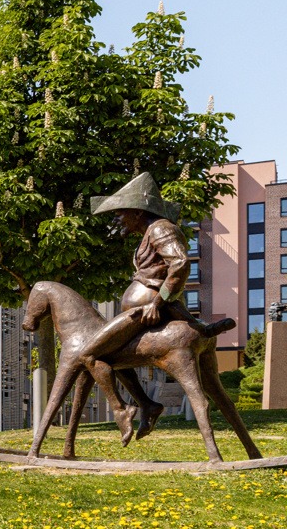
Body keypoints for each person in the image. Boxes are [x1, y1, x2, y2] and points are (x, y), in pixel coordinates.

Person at [79, 173, 234, 440]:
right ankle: (147, 405)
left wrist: (157, 302)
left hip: (143, 312)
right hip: (139, 310)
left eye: (120, 213)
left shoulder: (161, 228)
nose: (117, 219)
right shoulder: (150, 232)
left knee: (88, 354)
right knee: (112, 355)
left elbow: (180, 263)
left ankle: (121, 409)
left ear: (138, 212)